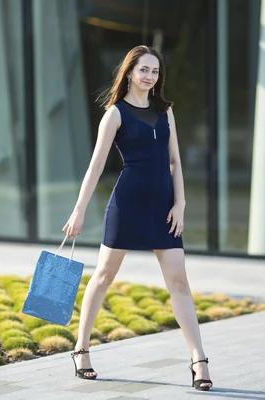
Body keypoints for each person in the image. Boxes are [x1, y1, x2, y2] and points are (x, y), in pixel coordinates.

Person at [63, 45, 213, 391]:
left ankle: (199, 360)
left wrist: (181, 203)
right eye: (144, 69)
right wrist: (79, 209)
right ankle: (81, 349)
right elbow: (96, 165)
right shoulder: (114, 114)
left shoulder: (165, 111)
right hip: (127, 204)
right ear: (130, 72)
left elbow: (174, 161)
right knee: (103, 276)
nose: (150, 76)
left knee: (179, 282)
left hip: (164, 207)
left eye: (155, 71)